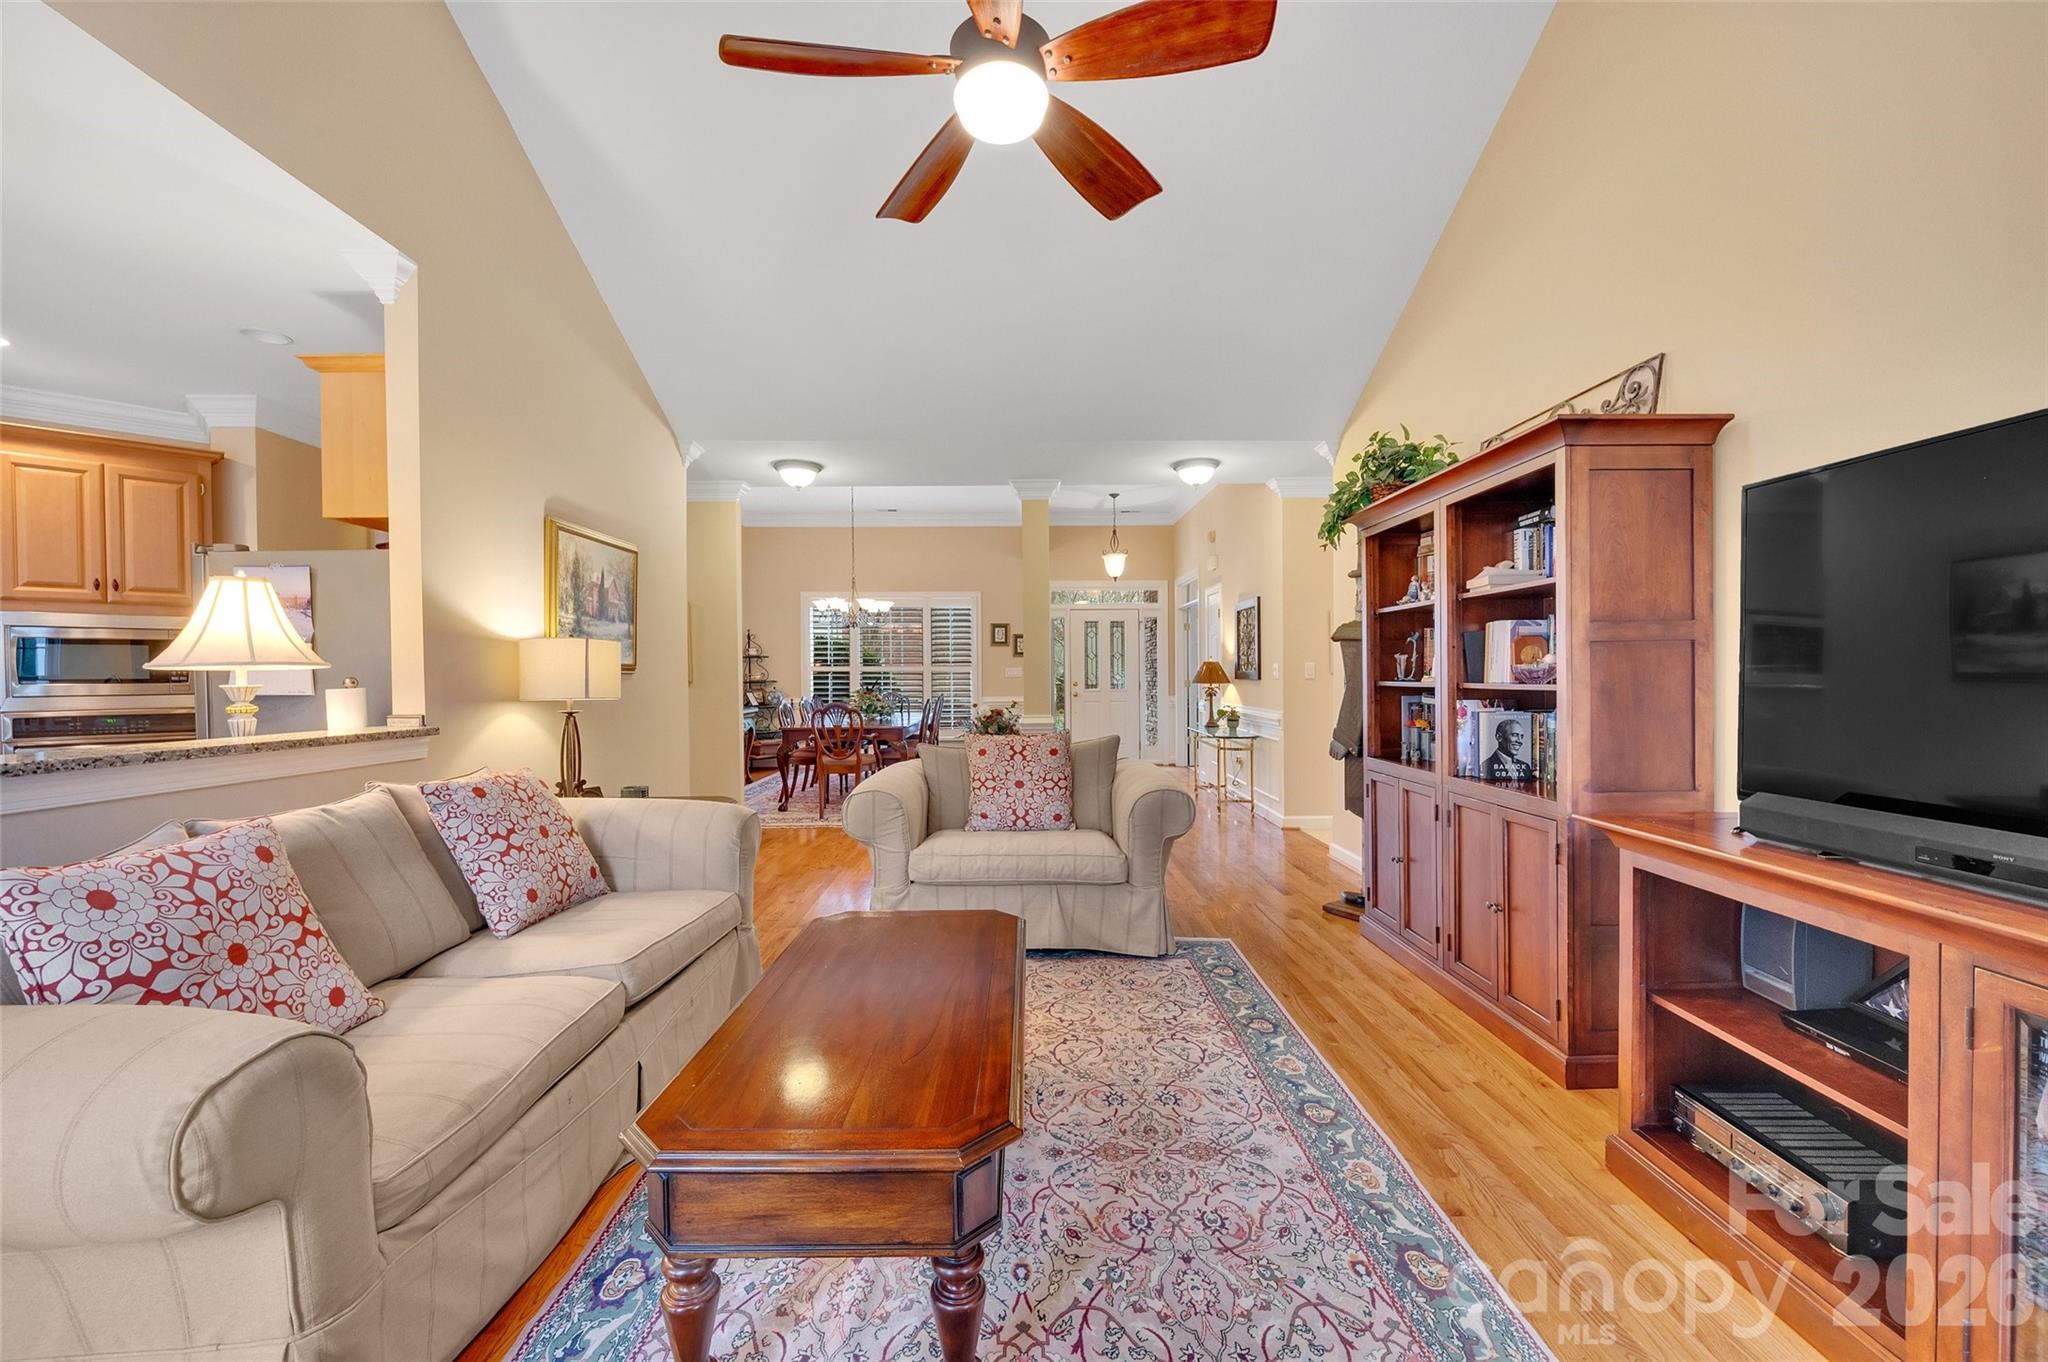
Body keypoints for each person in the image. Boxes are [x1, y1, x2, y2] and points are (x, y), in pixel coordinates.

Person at [1483, 717, 1535, 781]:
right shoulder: (1486, 766)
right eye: (1515, 735)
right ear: (1499, 737)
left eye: (1521, 736)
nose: (1520, 741)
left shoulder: (1526, 767)